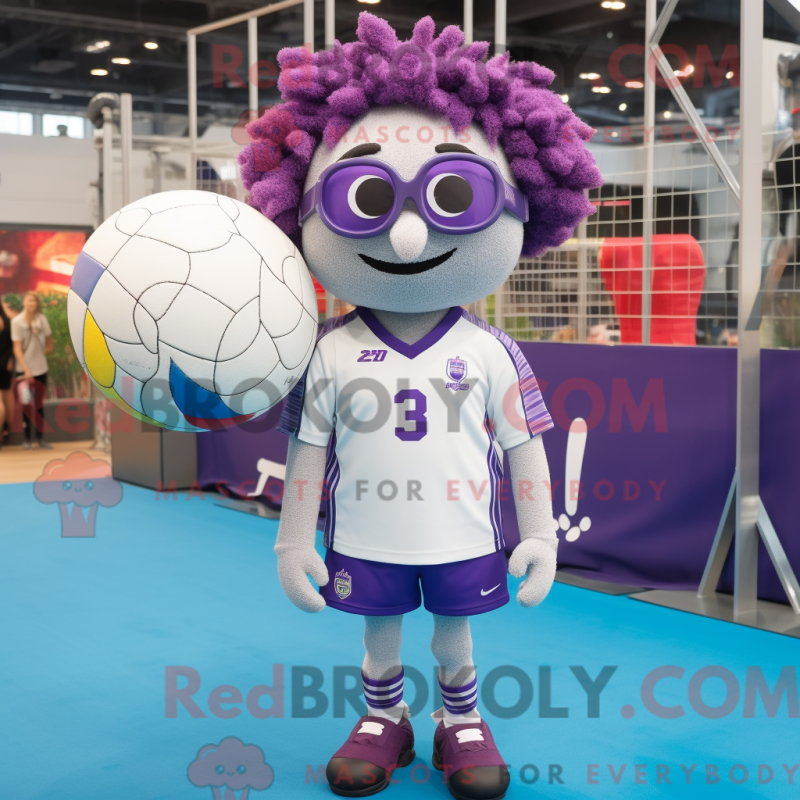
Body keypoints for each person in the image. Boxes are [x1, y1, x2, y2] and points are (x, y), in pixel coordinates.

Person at [11, 291, 53, 450]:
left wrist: (44, 352)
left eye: (34, 301)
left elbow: (49, 341)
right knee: (27, 404)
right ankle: (27, 439)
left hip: (41, 368)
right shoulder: (17, 322)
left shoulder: (41, 319)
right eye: (29, 301)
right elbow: (17, 348)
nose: (32, 304)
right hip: (24, 370)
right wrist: (26, 369)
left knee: (39, 404)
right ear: (24, 302)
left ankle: (40, 438)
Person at [0, 298, 14, 450]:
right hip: (6, 365)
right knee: (6, 396)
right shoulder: (8, 320)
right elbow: (13, 343)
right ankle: (6, 429)